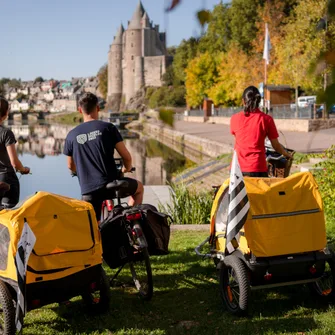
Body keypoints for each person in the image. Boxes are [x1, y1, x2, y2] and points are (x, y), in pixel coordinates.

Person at [63, 93, 144, 221]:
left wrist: (77, 172)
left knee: (94, 227)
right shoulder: (108, 128)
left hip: (89, 191)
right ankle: (127, 221)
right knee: (139, 189)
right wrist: (126, 169)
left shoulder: (71, 135)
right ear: (98, 108)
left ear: (79, 110)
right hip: (112, 186)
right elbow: (127, 157)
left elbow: (70, 165)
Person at [230, 86, 291, 177]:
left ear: (243, 101)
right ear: (259, 102)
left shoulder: (234, 118)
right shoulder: (266, 119)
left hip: (237, 169)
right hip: (257, 168)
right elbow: (276, 145)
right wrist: (286, 154)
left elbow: (240, 138)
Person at [0, 97, 30, 208]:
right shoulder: (6, 133)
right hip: (6, 179)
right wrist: (23, 170)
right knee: (8, 219)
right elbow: (14, 162)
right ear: (6, 113)